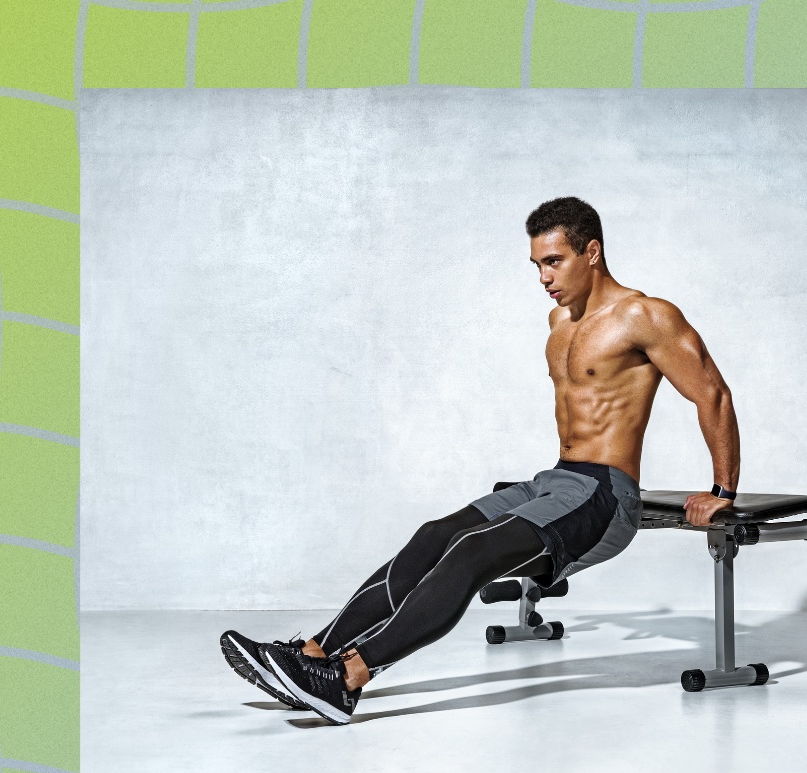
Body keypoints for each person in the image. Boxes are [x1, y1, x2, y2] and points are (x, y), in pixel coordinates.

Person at [220, 196, 741, 724]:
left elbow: (712, 394)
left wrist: (721, 492)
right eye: (536, 264)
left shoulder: (644, 315)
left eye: (553, 261)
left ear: (592, 252)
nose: (543, 276)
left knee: (471, 554)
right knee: (432, 535)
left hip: (604, 496)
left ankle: (348, 678)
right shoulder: (559, 322)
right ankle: (313, 655)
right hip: (556, 480)